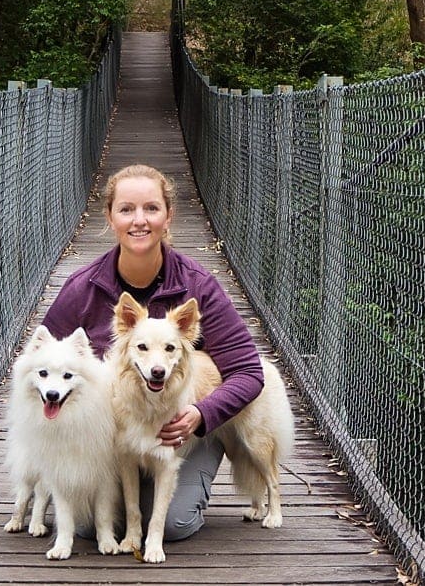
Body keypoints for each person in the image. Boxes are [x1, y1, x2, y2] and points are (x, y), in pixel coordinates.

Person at [41, 163, 265, 541]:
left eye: (151, 208)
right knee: (86, 525)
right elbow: (43, 365)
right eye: (126, 209)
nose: (139, 220)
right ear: (110, 218)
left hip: (179, 430)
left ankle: (191, 471)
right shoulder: (82, 289)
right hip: (113, 431)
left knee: (174, 525)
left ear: (168, 216)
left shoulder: (200, 287)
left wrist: (200, 414)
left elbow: (248, 372)